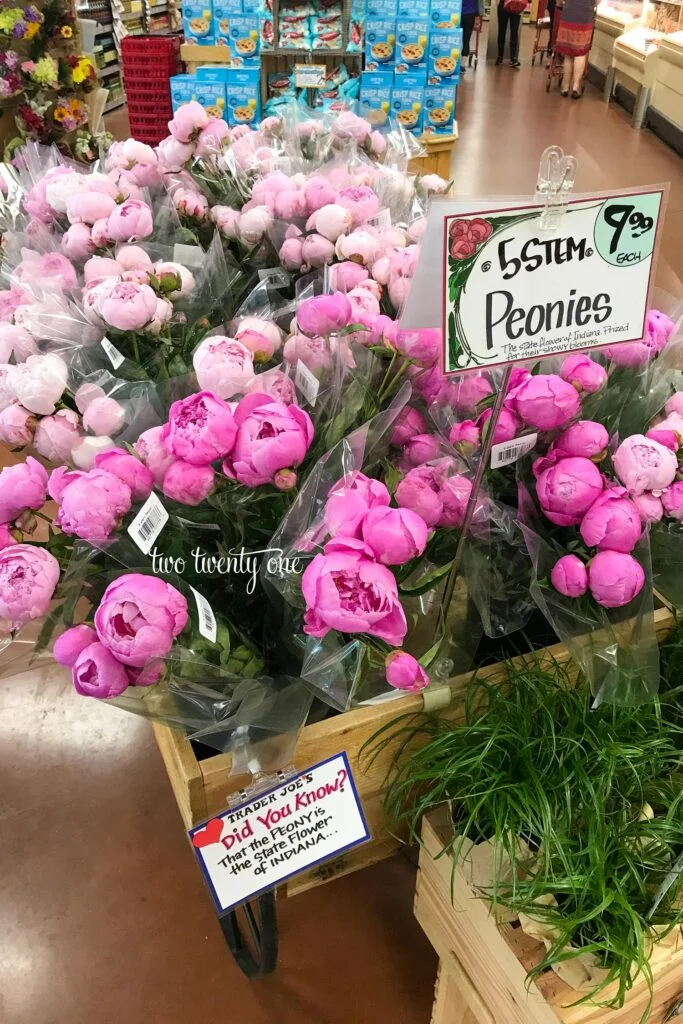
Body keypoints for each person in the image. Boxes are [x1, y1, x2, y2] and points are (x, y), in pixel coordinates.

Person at [555, 0, 595, 97]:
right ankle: (575, 87)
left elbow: (559, 1)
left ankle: (565, 87)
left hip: (569, 15)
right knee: (580, 53)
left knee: (568, 53)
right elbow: (598, 2)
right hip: (585, 16)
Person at [496, 0, 522, 68]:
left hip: (516, 5)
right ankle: (501, 56)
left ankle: (512, 58)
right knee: (503, 30)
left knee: (513, 32)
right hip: (505, 5)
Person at [461, 0, 484, 71]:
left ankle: (458, 62)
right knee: (466, 39)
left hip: (456, 12)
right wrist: (479, 16)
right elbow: (480, 2)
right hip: (470, 13)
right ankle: (462, 64)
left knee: (455, 38)